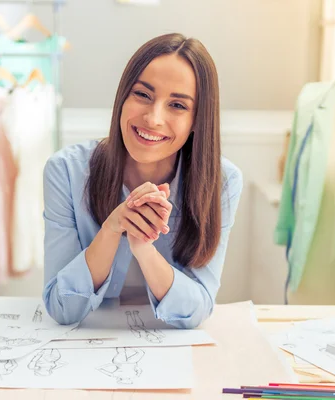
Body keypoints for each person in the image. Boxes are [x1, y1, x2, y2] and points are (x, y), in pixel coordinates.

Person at [42, 33, 243, 329]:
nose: (153, 118)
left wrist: (143, 247)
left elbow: (197, 310)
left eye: (177, 105)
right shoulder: (66, 171)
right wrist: (113, 228)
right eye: (143, 95)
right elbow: (63, 308)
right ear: (123, 97)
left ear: (197, 120)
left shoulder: (222, 181)